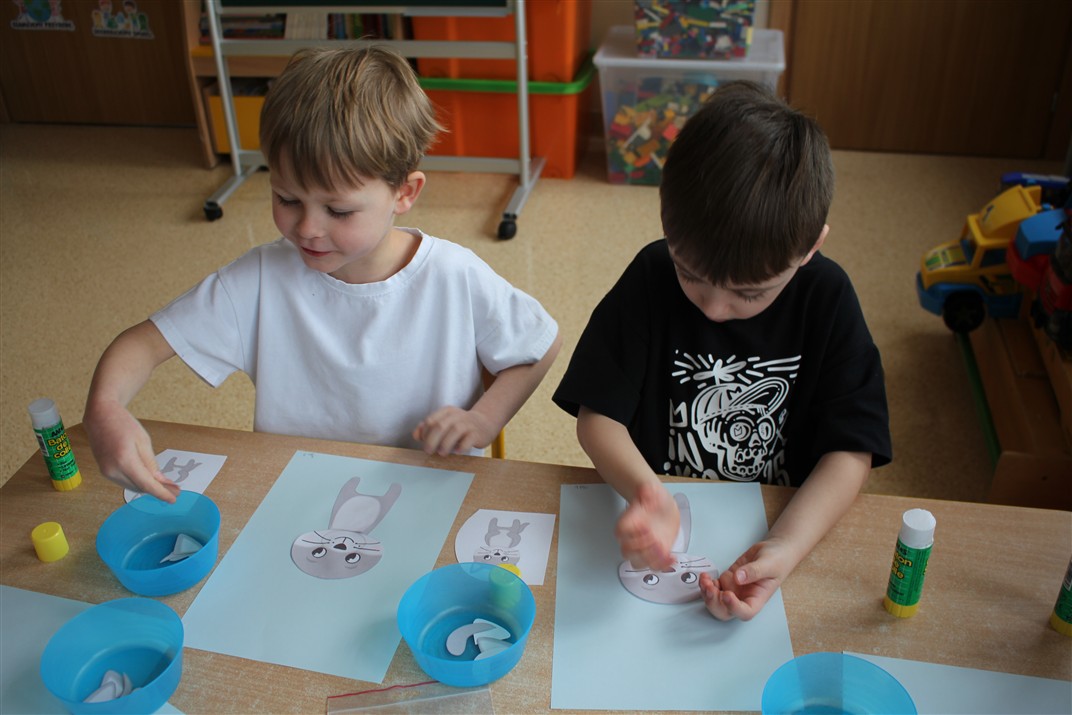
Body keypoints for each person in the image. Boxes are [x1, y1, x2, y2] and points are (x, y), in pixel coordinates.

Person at [85, 46, 561, 503]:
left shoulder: (454, 276)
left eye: (338, 210)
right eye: (287, 199)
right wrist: (105, 408)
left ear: (404, 193)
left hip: (428, 493)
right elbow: (141, 345)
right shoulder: (259, 279)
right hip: (298, 494)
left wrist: (484, 420)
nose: (307, 228)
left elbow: (540, 345)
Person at [552, 80, 890, 622]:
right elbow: (599, 415)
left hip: (779, 516)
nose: (713, 308)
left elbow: (852, 452)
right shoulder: (650, 275)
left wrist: (786, 546)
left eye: (749, 294)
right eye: (690, 274)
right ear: (666, 220)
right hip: (666, 509)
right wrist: (646, 493)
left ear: (810, 247)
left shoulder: (827, 298)